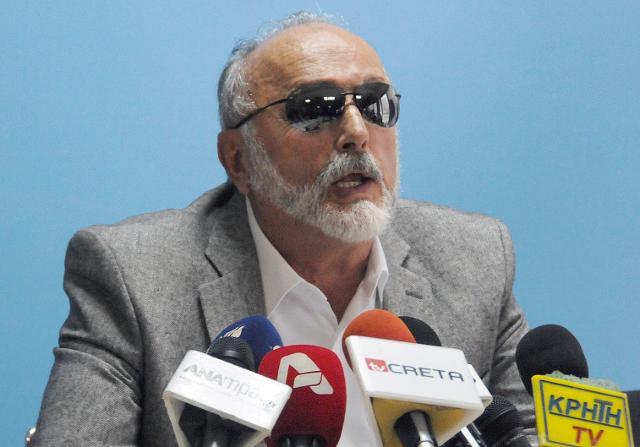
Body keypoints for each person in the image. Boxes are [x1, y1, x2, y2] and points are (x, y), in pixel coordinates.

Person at [32, 12, 536, 447]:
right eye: (314, 109)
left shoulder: (475, 259)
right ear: (238, 160)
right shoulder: (134, 276)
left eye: (375, 102)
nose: (357, 133)